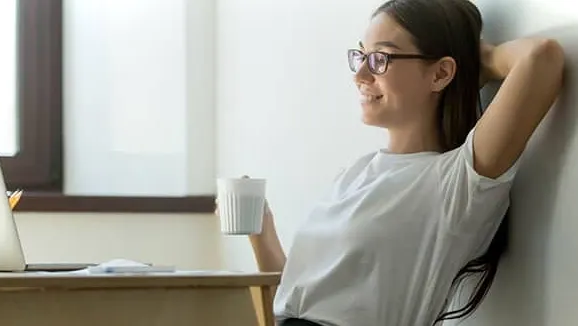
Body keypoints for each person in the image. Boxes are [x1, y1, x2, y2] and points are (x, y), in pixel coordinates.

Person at [216, 0, 565, 325]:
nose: (361, 75)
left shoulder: (456, 182)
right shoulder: (354, 173)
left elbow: (542, 57)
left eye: (381, 59)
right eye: (361, 56)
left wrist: (479, 59)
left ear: (441, 74)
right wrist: (262, 233)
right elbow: (292, 308)